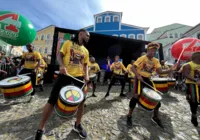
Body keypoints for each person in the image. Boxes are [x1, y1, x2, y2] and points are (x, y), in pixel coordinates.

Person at [34, 29, 90, 139]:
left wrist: (86, 75)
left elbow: (86, 65)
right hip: (65, 75)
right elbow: (59, 56)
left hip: (78, 78)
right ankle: (41, 129)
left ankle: (77, 125)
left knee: (81, 102)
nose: (88, 38)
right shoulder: (68, 43)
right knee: (52, 100)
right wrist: (62, 66)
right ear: (81, 34)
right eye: (87, 35)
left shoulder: (86, 51)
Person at [126, 42, 177, 129]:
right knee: (136, 96)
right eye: (151, 51)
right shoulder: (142, 58)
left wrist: (170, 70)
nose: (153, 53)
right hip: (139, 78)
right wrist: (138, 76)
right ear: (148, 50)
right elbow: (132, 68)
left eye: (155, 51)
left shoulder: (156, 61)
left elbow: (160, 72)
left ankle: (155, 117)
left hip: (148, 79)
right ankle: (129, 115)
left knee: (156, 97)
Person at [182, 52, 200, 127]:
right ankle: (194, 115)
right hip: (192, 84)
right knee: (194, 100)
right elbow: (185, 74)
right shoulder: (188, 65)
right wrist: (196, 80)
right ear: (197, 57)